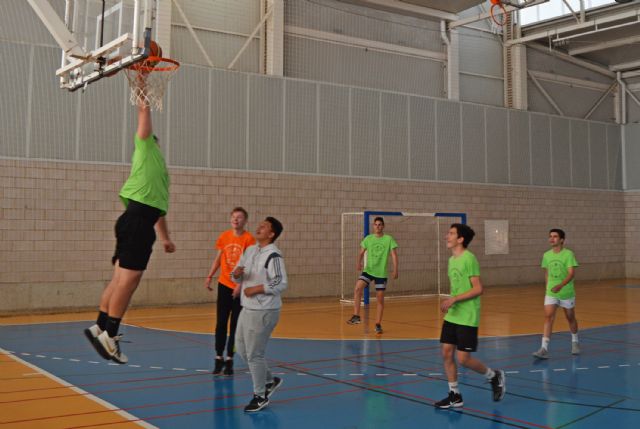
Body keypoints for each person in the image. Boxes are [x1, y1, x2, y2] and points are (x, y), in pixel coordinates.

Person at [83, 103, 175, 364]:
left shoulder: (157, 175)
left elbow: (158, 211)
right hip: (136, 225)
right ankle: (110, 336)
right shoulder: (145, 149)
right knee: (128, 283)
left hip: (134, 221)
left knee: (119, 279)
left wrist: (166, 238)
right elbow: (144, 120)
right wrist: (143, 95)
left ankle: (99, 327)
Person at [435, 223, 505, 409]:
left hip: (467, 316)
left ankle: (493, 376)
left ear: (461, 239)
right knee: (446, 352)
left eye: (451, 234)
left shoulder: (469, 259)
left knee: (464, 359)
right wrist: (452, 301)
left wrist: (454, 299)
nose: (446, 236)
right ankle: (455, 395)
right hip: (453, 315)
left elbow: (479, 289)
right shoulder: (452, 260)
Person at [232, 217, 287, 412]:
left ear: (271, 234)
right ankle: (269, 380)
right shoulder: (250, 250)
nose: (259, 227)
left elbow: (280, 282)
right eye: (260, 224)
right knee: (241, 349)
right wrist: (236, 274)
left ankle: (260, 396)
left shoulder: (274, 255)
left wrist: (257, 289)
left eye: (264, 226)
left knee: (255, 354)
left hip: (265, 310)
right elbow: (236, 275)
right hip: (247, 308)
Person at [204, 207, 256, 375]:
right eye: (233, 217)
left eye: (239, 217)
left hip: (239, 288)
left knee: (235, 325)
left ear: (245, 221)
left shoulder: (249, 240)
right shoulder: (224, 237)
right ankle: (218, 357)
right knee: (221, 323)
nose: (236, 220)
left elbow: (249, 266)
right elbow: (219, 258)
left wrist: (240, 285)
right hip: (224, 284)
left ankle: (230, 359)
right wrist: (210, 275)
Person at [533, 228, 580, 359]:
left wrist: (560, 285)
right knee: (548, 317)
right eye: (550, 236)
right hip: (551, 293)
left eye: (555, 236)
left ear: (561, 240)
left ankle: (575, 341)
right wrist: (548, 286)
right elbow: (547, 273)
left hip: (566, 291)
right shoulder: (546, 255)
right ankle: (544, 348)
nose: (551, 239)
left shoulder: (568, 254)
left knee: (570, 317)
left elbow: (571, 273)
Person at [346, 216, 398, 334]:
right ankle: (356, 316)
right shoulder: (368, 239)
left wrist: (395, 269)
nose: (378, 226)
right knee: (358, 288)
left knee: (380, 299)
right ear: (373, 226)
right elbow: (361, 252)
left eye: (380, 224)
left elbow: (394, 255)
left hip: (381, 273)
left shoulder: (388, 239)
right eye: (376, 224)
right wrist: (358, 263)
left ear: (383, 226)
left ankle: (378, 324)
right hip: (368, 271)